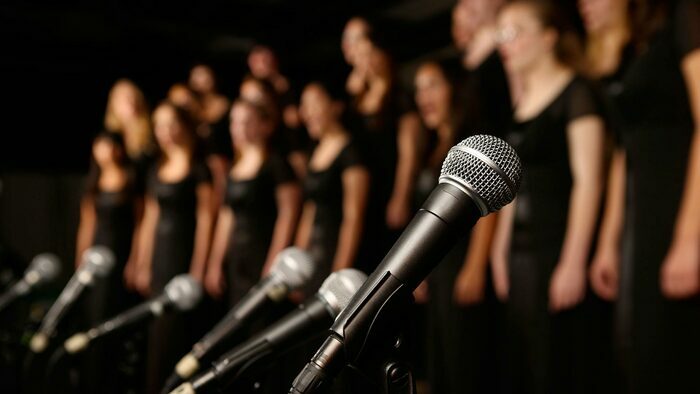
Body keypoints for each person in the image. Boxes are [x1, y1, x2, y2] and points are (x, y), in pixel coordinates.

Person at [491, 1, 608, 393]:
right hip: (520, 253)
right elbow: (513, 184)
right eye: (501, 33)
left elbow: (590, 181)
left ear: (548, 36)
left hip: (556, 247)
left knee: (556, 365)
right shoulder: (521, 104)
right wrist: (499, 250)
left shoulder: (577, 92)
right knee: (522, 364)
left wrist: (574, 260)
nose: (504, 43)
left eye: (514, 31)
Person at [590, 0, 700, 392]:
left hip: (678, 205)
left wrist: (690, 238)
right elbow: (625, 152)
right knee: (637, 351)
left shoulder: (684, 16)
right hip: (642, 217)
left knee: (671, 351)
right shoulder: (633, 46)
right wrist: (608, 242)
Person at [413, 60, 499, 394]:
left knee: (464, 362)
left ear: (454, 89)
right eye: (419, 88)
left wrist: (475, 266)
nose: (424, 96)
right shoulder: (432, 144)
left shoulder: (472, 140)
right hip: (436, 270)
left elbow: (490, 208)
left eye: (432, 85)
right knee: (440, 364)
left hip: (461, 261)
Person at [133, 102, 213, 393]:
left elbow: (206, 221)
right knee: (157, 335)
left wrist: (199, 268)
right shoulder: (157, 168)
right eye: (159, 125)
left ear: (184, 125)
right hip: (160, 259)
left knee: (179, 334)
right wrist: (141, 262)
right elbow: (150, 220)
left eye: (170, 123)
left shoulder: (199, 168)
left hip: (184, 254)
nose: (164, 131)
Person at [204, 98, 300, 308]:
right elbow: (226, 216)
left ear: (265, 125)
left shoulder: (276, 164)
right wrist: (215, 262)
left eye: (247, 121)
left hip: (263, 251)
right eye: (235, 122)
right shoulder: (233, 168)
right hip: (238, 258)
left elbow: (288, 214)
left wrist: (274, 264)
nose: (239, 128)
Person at [74, 131, 142, 394]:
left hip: (122, 252)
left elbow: (140, 223)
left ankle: (112, 382)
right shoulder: (93, 181)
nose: (106, 151)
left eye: (111, 145)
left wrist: (136, 259)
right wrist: (82, 261)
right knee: (93, 315)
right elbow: (87, 224)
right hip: (97, 255)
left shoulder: (131, 179)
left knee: (114, 315)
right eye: (100, 145)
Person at [295, 81, 369, 292]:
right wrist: (300, 261)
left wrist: (339, 273)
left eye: (313, 104)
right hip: (315, 257)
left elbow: (353, 216)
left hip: (338, 252)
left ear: (336, 106)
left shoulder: (351, 152)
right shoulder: (315, 151)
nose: (306, 113)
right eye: (304, 105)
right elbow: (309, 211)